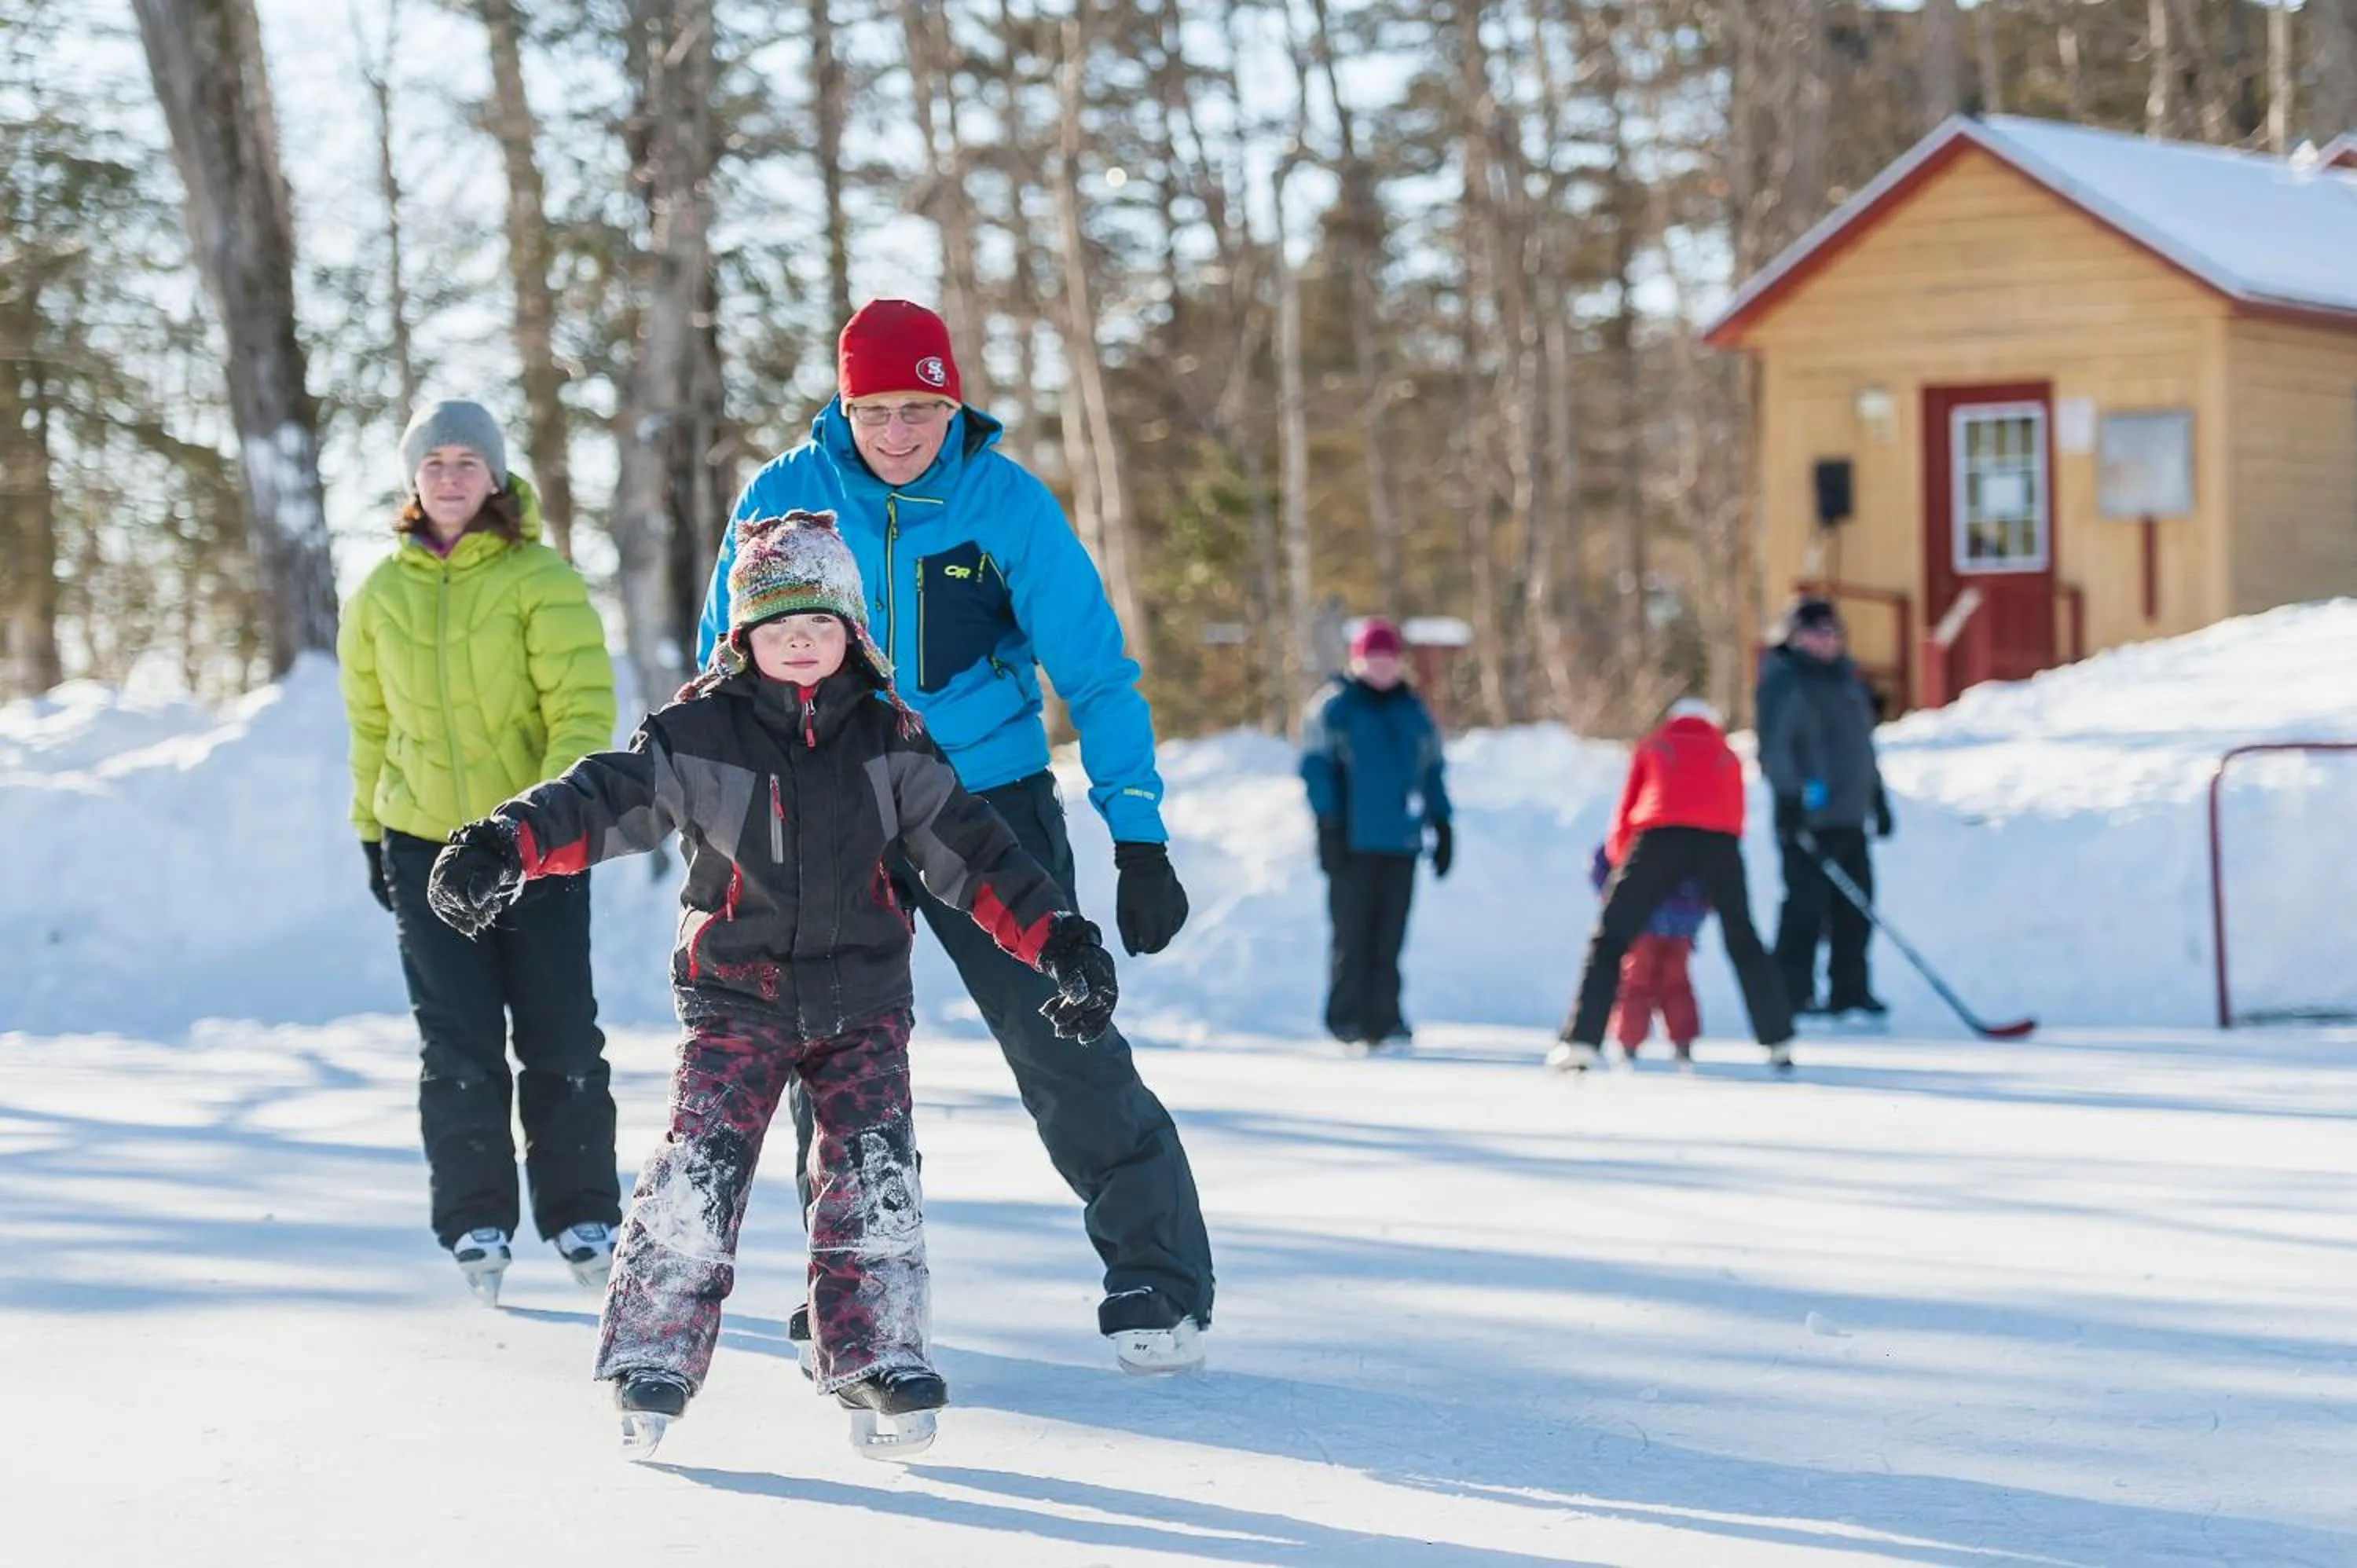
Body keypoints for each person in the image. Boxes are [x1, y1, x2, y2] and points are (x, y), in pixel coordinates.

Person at [427, 511, 1122, 1460]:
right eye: (779, 626)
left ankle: (877, 1353)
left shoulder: (892, 739)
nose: (801, 642)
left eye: (822, 624)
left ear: (851, 633)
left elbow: (979, 854)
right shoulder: (697, 735)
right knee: (697, 1172)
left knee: (872, 1174)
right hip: (737, 997)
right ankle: (654, 1352)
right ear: (744, 637)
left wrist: (1063, 941)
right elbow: (601, 798)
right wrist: (506, 840)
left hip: (863, 1000)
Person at [693, 300, 1213, 1372]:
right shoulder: (786, 498)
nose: (898, 434)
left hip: (984, 806)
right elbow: (726, 661)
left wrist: (1140, 834)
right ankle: (845, 1277)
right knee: (829, 1050)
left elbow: (1098, 672)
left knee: (1056, 1034)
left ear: (952, 402)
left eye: (921, 409)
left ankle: (1157, 1277)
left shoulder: (1004, 503)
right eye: (876, 411)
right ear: (844, 405)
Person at [338, 397, 621, 1304]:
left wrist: (537, 826)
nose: (452, 476)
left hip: (533, 846)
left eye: (468, 460)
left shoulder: (542, 578)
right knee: (455, 1044)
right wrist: (372, 834)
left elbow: (580, 712)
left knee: (559, 1034)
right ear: (413, 479)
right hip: (422, 844)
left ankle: (582, 1214)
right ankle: (475, 1220)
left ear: (496, 476)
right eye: (435, 462)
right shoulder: (379, 590)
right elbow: (369, 724)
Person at [1552, 698, 1794, 1073]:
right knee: (1742, 938)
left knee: (1610, 939)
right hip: (1720, 842)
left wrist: (1622, 875)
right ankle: (1778, 1039)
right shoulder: (1727, 754)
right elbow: (1736, 817)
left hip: (1658, 836)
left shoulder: (1655, 744)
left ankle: (1580, 1042)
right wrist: (1719, 885)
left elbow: (1626, 814)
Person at [1299, 617, 1453, 1053]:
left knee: (1390, 937)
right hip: (1351, 840)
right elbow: (1315, 767)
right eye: (1373, 659)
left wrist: (1442, 824)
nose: (1382, 668)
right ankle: (1346, 1017)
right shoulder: (1335, 706)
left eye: (1388, 659)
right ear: (1357, 660)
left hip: (1400, 842)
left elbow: (1432, 770)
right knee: (1352, 934)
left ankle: (1386, 1018)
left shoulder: (1412, 710)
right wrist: (1328, 823)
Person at [1755, 597, 1893, 1024]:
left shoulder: (1847, 681)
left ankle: (1850, 992)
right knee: (1805, 909)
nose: (1828, 640)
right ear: (1796, 636)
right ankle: (1791, 992)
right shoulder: (1785, 681)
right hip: (1808, 821)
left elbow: (1862, 748)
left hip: (1850, 815)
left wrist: (1878, 798)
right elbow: (1775, 747)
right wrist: (1789, 800)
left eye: (1833, 632)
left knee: (1856, 909)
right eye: (1818, 632)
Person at [1584, 844, 1706, 1068]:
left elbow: (1600, 863)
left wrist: (1616, 900)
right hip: (1683, 920)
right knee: (1676, 985)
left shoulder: (1636, 830)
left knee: (1636, 984)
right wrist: (1698, 908)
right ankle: (1682, 1041)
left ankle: (1628, 1042)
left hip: (1642, 922)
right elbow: (1711, 876)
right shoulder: (1692, 834)